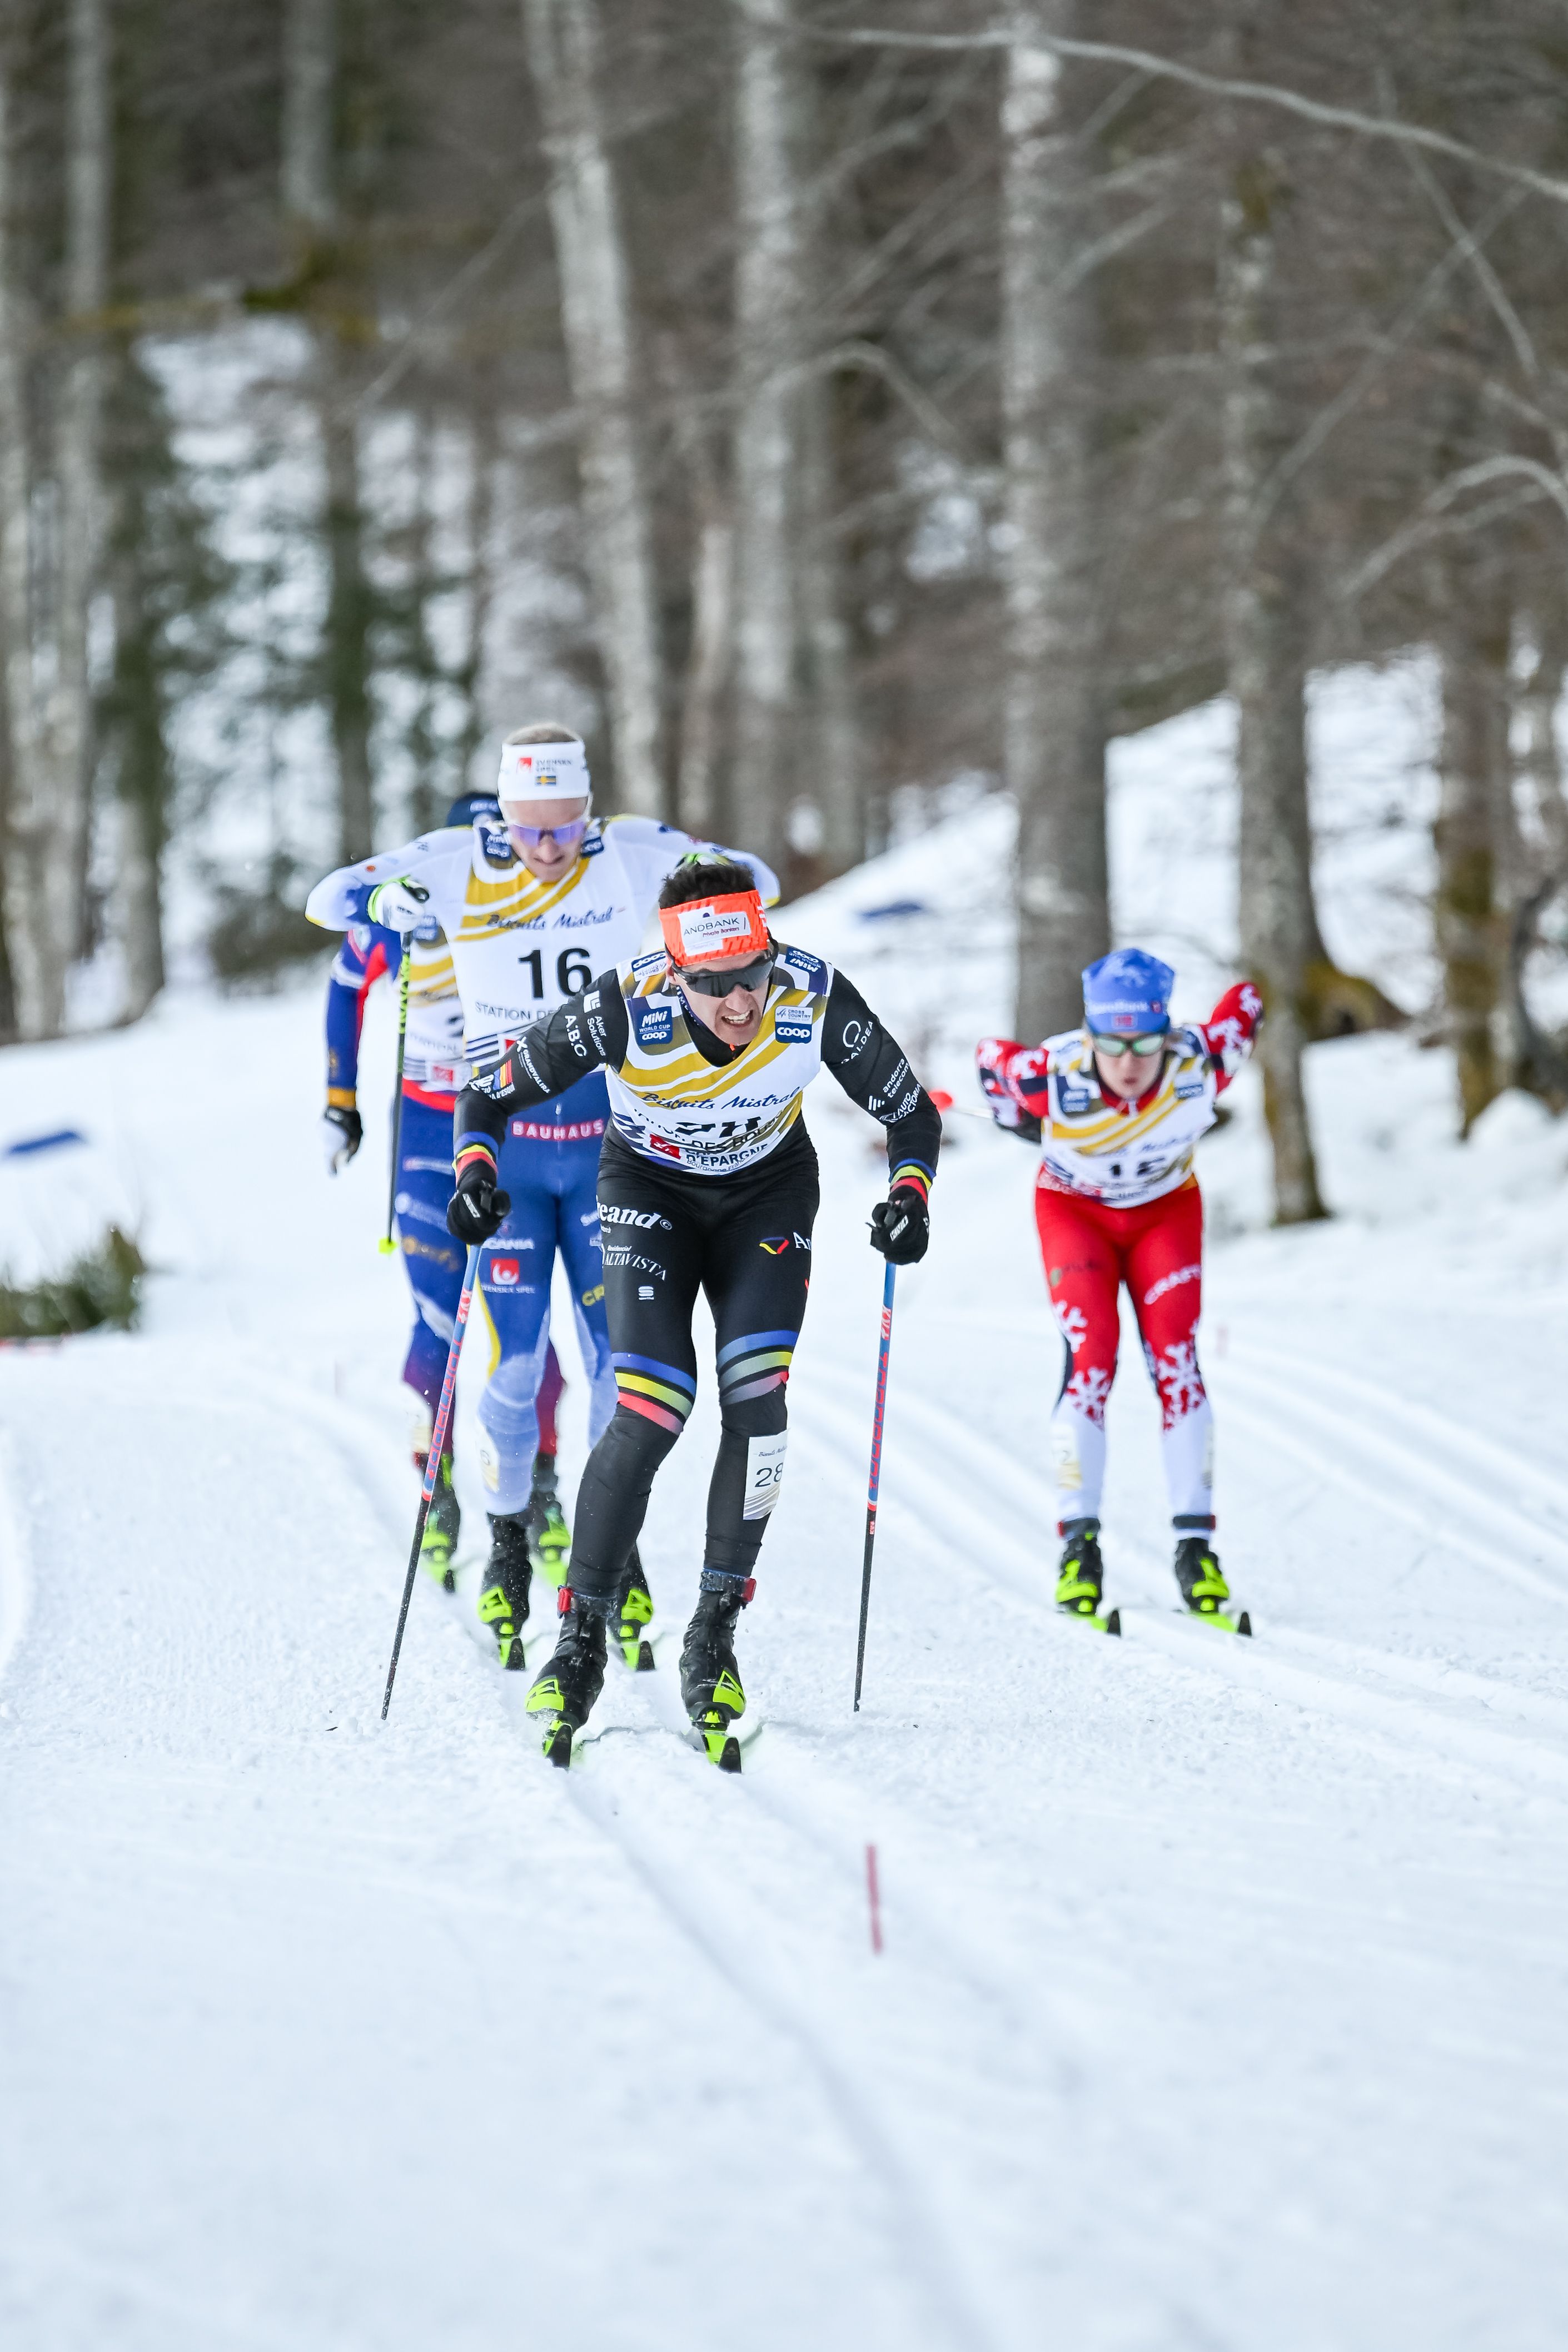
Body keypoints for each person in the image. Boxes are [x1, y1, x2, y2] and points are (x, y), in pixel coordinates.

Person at [446, 855, 940, 1767]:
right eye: (713, 986)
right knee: (650, 1404)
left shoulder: (811, 992)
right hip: (648, 1192)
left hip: (768, 1194)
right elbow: (487, 1092)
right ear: (676, 972)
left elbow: (911, 1115)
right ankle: (579, 1644)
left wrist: (910, 1194)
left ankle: (713, 1638)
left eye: (750, 976)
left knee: (759, 1403)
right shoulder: (623, 1004)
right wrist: (475, 1174)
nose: (740, 1003)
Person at [306, 729, 778, 1672]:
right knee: (515, 1367)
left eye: (564, 828)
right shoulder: (455, 863)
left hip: (612, 1151)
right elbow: (327, 903)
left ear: (587, 811)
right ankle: (509, 1544)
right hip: (505, 1150)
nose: (548, 850)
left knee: (620, 1377)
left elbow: (754, 878)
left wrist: (702, 900)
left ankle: (617, 1553)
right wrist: (379, 897)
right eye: (529, 829)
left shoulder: (628, 852)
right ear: (504, 814)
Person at [318, 791, 568, 1594]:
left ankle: (540, 1483)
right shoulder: (413, 907)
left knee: (520, 1317)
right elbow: (344, 980)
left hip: (514, 1125)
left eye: (493, 845)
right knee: (438, 1312)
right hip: (429, 1129)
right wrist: (340, 1101)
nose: (483, 859)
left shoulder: (531, 904)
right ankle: (439, 1481)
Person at [975, 948, 1260, 1625]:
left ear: (1168, 1033)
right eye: (1111, 1044)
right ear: (1090, 1033)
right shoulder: (1052, 1073)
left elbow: (1246, 1002)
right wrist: (1009, 1113)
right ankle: (1080, 1547)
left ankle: (1196, 1550)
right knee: (1093, 1355)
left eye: (1144, 1044)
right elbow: (990, 1056)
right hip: (1075, 1213)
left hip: (1164, 1212)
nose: (1129, 1062)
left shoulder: (1201, 1061)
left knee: (1176, 1360)